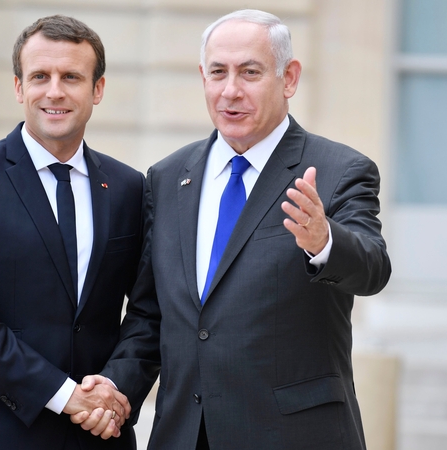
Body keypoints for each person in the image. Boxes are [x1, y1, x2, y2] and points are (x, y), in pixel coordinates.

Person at [76, 9, 392, 449]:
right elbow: (152, 316)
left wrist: (324, 242)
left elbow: (373, 268)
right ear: (202, 78)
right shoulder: (168, 179)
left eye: (250, 72)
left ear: (289, 78)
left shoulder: (340, 170)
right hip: (185, 435)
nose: (231, 90)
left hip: (294, 436)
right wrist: (115, 387)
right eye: (218, 72)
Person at [0, 15, 143, 449]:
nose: (54, 91)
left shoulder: (129, 187)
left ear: (97, 89)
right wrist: (65, 397)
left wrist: (112, 391)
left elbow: (147, 311)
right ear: (19, 87)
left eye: (72, 77)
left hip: (97, 433)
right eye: (40, 76)